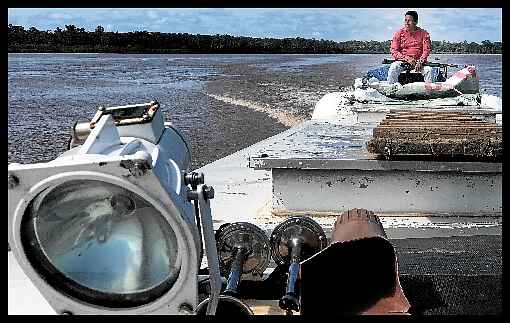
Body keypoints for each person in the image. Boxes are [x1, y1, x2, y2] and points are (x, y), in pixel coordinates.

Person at [387, 11, 433, 84]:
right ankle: (391, 90)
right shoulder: (398, 33)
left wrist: (420, 61)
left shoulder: (424, 33)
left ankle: (429, 92)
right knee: (393, 68)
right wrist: (407, 59)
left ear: (416, 22)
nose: (407, 23)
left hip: (418, 63)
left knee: (429, 71)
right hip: (403, 62)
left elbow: (426, 50)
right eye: (405, 20)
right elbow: (394, 51)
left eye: (409, 21)